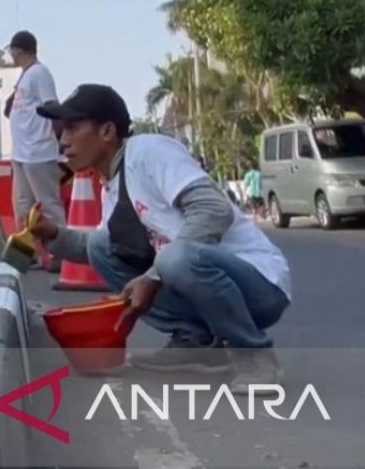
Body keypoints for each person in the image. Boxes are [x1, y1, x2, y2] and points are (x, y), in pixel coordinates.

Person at [28, 84, 291, 388]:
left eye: (72, 129)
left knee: (175, 258)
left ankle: (253, 353)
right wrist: (53, 235)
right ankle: (196, 340)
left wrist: (153, 276)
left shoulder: (147, 151)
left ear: (107, 131)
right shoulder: (112, 185)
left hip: (259, 284)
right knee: (103, 246)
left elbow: (214, 209)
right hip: (200, 278)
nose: (63, 141)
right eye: (61, 132)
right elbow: (100, 247)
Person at [5, 30, 65, 271]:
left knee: (48, 204)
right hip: (21, 152)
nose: (10, 53)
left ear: (18, 49)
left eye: (11, 49)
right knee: (22, 205)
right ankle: (27, 253)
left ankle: (63, 253)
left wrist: (59, 139)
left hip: (39, 150)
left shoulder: (40, 73)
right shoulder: (25, 76)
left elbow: (52, 105)